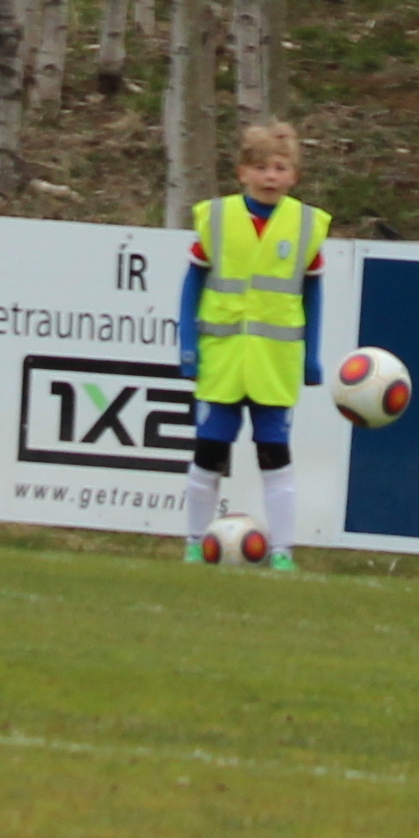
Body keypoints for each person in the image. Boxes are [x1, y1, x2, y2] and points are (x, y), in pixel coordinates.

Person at [174, 118, 329, 571]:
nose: (270, 177)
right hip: (222, 360)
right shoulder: (218, 218)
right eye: (260, 168)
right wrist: (188, 345)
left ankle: (282, 551)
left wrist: (312, 356)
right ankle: (194, 543)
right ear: (242, 172)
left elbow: (313, 294)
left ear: (294, 176)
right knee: (209, 452)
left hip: (275, 363)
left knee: (274, 454)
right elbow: (192, 285)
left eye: (280, 168)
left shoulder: (305, 225)